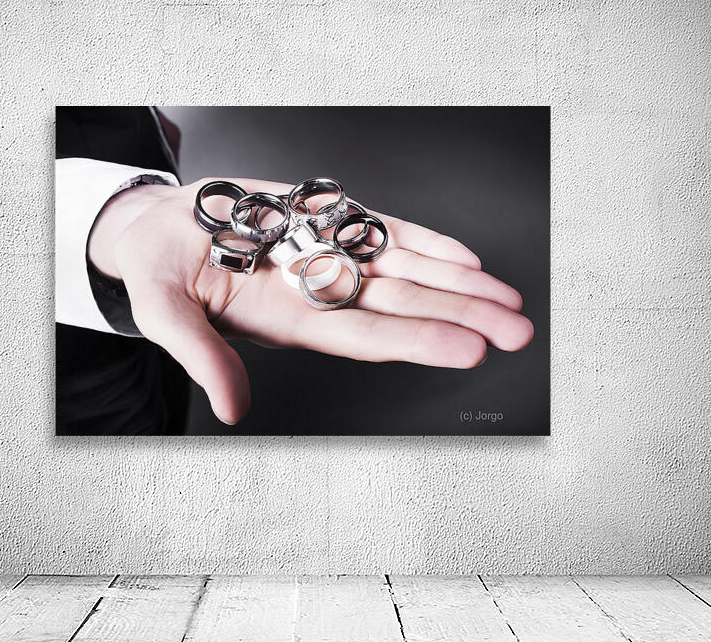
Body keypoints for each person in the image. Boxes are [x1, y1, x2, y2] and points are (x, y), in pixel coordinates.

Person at [55, 106, 533, 434]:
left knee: (164, 397)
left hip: (131, 164)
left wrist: (147, 138)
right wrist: (114, 221)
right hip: (68, 377)